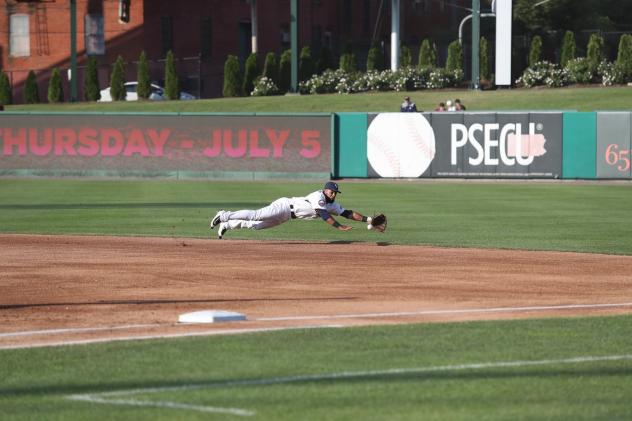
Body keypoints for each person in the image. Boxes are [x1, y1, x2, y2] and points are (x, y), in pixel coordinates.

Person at [209, 181, 374, 239]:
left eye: (335, 193)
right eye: (332, 191)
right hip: (284, 206)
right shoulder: (318, 196)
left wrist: (368, 220)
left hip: (287, 216)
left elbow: (348, 213)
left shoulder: (332, 204)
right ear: (325, 190)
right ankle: (223, 215)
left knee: (256, 226)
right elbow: (323, 215)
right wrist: (339, 227)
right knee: (256, 215)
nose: (334, 194)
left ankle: (228, 225)